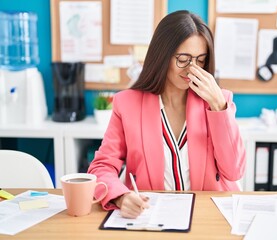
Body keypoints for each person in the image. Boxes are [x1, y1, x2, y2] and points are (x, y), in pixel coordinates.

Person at [88, 10, 246, 219]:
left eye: (200, 60)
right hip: (151, 217)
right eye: (183, 59)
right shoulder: (127, 104)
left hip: (209, 216)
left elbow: (234, 171)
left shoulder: (220, 101)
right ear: (162, 55)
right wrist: (121, 197)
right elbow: (101, 167)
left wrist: (218, 106)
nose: (192, 69)